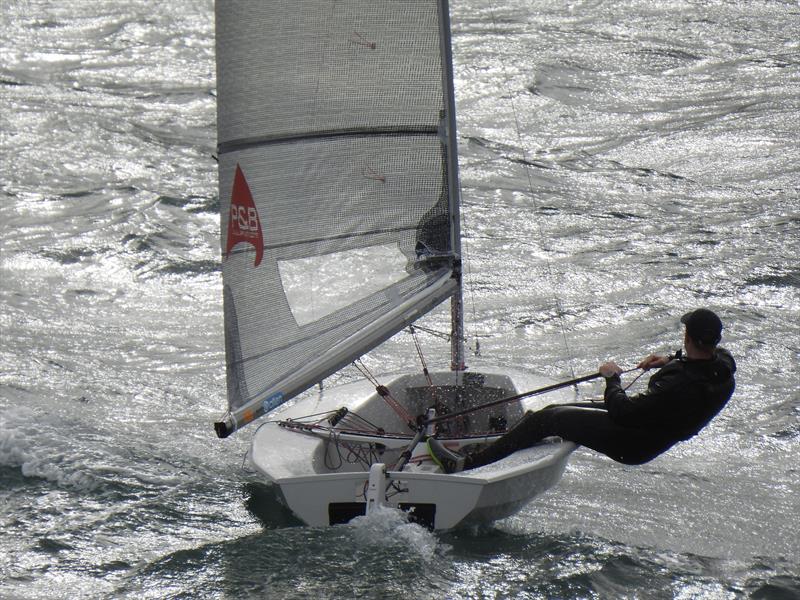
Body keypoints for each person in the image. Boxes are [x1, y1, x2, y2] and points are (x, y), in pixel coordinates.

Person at [427, 308, 736, 473]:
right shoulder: (723, 369)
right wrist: (667, 360)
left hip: (634, 441)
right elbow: (701, 366)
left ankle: (465, 464)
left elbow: (623, 411)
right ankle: (500, 448)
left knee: (546, 420)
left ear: (689, 337)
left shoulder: (678, 387)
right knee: (547, 415)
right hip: (651, 428)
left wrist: (611, 378)